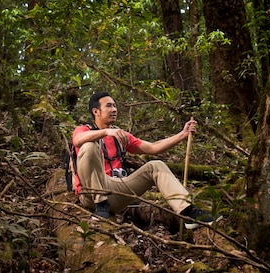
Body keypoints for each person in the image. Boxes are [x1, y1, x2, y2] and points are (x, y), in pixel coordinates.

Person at [72, 91, 219, 229]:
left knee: (156, 166)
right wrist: (105, 132)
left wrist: (182, 134)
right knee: (89, 146)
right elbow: (78, 141)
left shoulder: (120, 135)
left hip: (116, 191)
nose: (114, 109)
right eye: (109, 106)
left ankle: (188, 212)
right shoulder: (84, 130)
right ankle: (100, 203)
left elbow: (153, 148)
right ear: (96, 111)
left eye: (115, 105)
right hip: (90, 193)